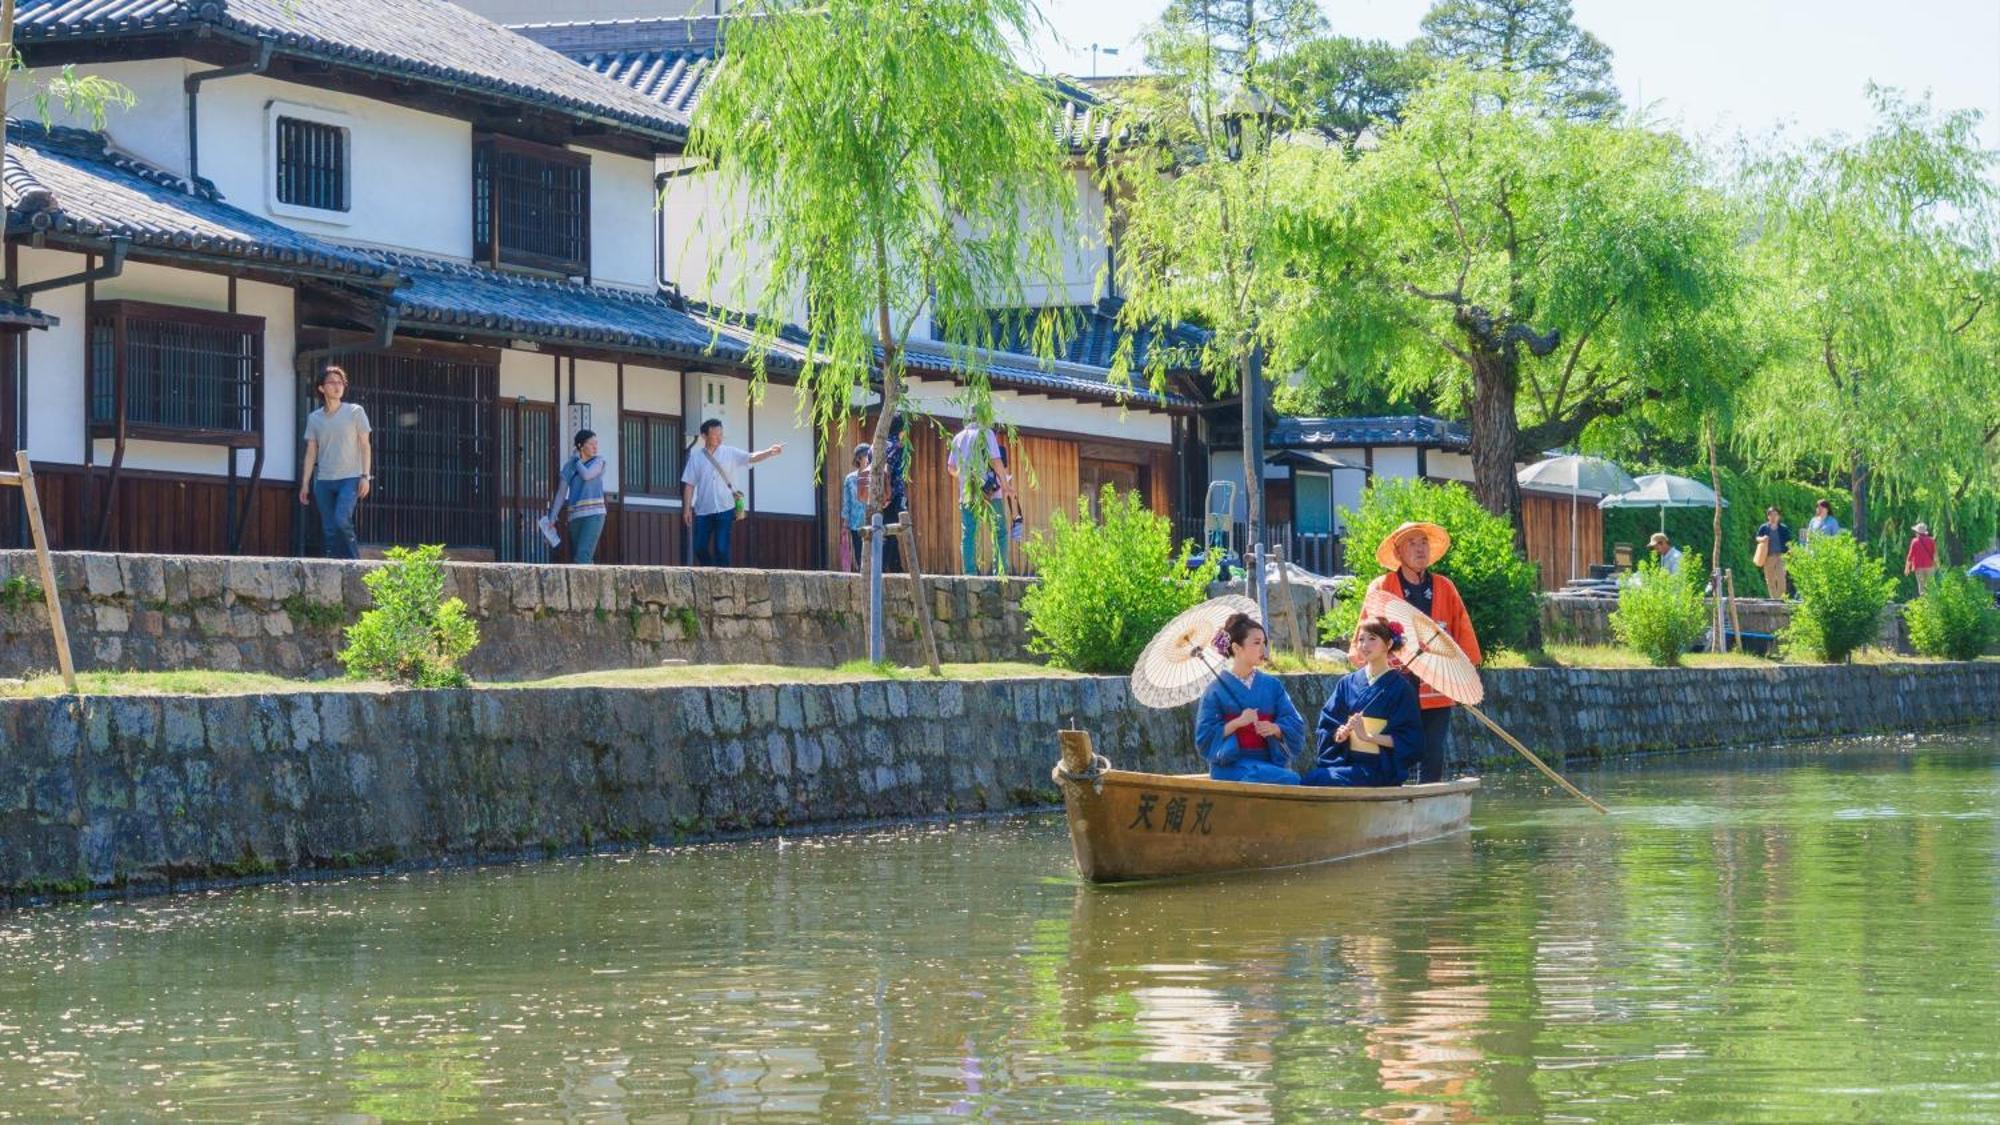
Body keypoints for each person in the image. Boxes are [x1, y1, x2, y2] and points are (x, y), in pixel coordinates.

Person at [1364, 522, 1481, 784]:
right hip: (1394, 685)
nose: (1420, 549)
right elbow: (1366, 636)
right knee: (1392, 745)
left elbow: (1462, 631)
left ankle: (1427, 801)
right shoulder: (1382, 587)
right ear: (1399, 552)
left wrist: (1464, 676)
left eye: (1424, 543)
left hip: (1437, 685)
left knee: (1432, 752)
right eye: (1412, 544)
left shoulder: (1445, 587)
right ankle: (1389, 796)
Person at [1303, 618, 1425, 788]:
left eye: (1372, 639)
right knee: (1314, 778)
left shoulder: (1402, 688)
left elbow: (1411, 740)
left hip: (1380, 768)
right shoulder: (1347, 683)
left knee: (1323, 779)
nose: (1364, 645)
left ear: (1388, 644)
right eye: (1361, 639)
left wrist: (1368, 737)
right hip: (1347, 761)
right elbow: (1328, 724)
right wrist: (1341, 734)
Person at [1193, 612, 1305, 786]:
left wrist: (1275, 728)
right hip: (1230, 765)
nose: (1263, 649)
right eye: (1256, 643)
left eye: (1264, 643)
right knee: (1288, 779)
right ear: (1237, 648)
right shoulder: (1215, 690)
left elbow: (1295, 723)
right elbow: (1204, 738)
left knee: (1289, 779)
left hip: (1268, 763)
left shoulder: (1272, 685)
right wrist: (1238, 722)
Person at [680, 419, 784, 567]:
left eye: (721, 434)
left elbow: (751, 457)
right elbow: (689, 484)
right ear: (704, 436)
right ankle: (709, 572)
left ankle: (724, 577)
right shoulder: (696, 457)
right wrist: (687, 509)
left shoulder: (730, 452)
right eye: (715, 435)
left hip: (725, 507)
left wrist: (769, 452)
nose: (719, 438)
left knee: (721, 548)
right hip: (703, 509)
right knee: (699, 547)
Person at [297, 364, 371, 559]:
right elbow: (311, 452)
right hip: (324, 480)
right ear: (321, 388)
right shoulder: (315, 418)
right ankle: (334, 568)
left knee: (341, 521)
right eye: (332, 383)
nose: (337, 387)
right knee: (329, 528)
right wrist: (305, 483)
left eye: (341, 383)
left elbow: (365, 445)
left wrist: (365, 476)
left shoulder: (355, 411)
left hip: (351, 477)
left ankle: (355, 565)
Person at [947, 417, 1010, 576]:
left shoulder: (958, 437)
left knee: (968, 534)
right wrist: (1006, 485)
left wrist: (965, 476)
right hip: (990, 494)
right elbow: (996, 461)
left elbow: (951, 467)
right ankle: (1000, 572)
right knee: (999, 531)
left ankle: (969, 573)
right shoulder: (986, 433)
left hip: (967, 493)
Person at [546, 429, 607, 564]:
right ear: (581, 446)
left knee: (582, 556)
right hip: (575, 517)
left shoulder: (599, 461)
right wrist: (552, 516)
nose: (595, 447)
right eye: (591, 444)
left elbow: (587, 475)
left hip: (594, 515)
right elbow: (561, 494)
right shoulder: (568, 467)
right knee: (582, 557)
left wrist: (576, 461)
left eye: (596, 444)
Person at [881, 413, 908, 574]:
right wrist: (889, 493)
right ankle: (882, 568)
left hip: (878, 496)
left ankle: (896, 568)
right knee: (892, 530)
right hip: (893, 494)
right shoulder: (898, 446)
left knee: (889, 530)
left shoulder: (875, 446)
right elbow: (889, 469)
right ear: (902, 429)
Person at [841, 443, 873, 572]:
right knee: (859, 552)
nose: (870, 458)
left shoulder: (874, 475)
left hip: (871, 520)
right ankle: (862, 578)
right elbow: (847, 501)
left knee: (874, 552)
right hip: (855, 522)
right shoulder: (850, 478)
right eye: (867, 455)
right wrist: (845, 520)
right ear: (859, 458)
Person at [1754, 506, 1793, 599]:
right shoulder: (1764, 527)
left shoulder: (1783, 528)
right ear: (1768, 516)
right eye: (1771, 514)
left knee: (1781, 578)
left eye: (1775, 514)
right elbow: (1757, 538)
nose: (1773, 517)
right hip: (1768, 556)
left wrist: (1791, 551)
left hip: (1781, 556)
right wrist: (1762, 539)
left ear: (1779, 516)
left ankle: (1782, 598)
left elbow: (1789, 541)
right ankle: (1774, 599)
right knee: (1770, 579)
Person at [1906, 522, 1938, 595]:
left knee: (1922, 587)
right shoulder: (1931, 540)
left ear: (1917, 532)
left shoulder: (1914, 541)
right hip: (1930, 567)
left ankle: (1923, 604)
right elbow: (1935, 554)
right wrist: (1937, 565)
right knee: (1931, 586)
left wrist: (1907, 568)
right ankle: (1932, 603)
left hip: (1919, 567)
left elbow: (1910, 556)